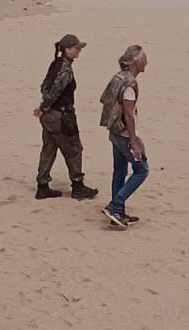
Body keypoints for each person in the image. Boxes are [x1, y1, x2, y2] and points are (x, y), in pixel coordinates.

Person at [32, 34, 99, 200]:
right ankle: (77, 185)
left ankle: (42, 185)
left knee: (49, 148)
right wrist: (44, 106)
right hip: (60, 115)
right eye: (77, 48)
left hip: (50, 116)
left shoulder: (56, 63)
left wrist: (45, 107)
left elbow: (45, 87)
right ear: (67, 50)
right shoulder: (65, 69)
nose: (79, 51)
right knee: (74, 149)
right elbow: (55, 91)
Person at [99, 44, 149, 228]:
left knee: (119, 170)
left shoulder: (117, 78)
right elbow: (128, 114)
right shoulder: (129, 84)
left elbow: (103, 98)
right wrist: (134, 140)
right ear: (135, 61)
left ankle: (117, 212)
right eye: (144, 58)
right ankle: (116, 205)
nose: (147, 62)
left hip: (114, 131)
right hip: (123, 134)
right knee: (141, 170)